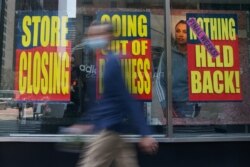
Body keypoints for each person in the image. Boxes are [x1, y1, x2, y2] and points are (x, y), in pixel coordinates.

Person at [64, 21, 158, 167]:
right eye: (91, 35)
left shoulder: (112, 63)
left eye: (97, 34)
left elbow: (126, 98)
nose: (93, 38)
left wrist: (145, 132)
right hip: (115, 129)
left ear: (109, 37)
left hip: (108, 130)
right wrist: (86, 122)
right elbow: (100, 102)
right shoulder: (102, 62)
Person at [155, 20, 200, 118]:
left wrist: (199, 103)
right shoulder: (167, 54)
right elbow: (159, 81)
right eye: (178, 31)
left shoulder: (197, 54)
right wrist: (165, 106)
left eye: (185, 32)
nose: (180, 34)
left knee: (189, 132)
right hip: (172, 105)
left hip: (192, 105)